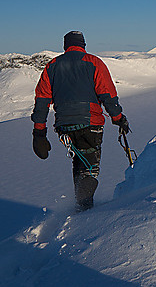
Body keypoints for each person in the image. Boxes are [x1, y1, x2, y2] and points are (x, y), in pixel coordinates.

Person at [31, 31, 130, 212]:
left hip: (64, 128)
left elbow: (42, 100)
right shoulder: (94, 63)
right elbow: (107, 95)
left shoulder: (52, 66)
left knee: (78, 163)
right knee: (89, 168)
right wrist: (118, 118)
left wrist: (39, 132)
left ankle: (80, 206)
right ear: (83, 45)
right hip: (90, 124)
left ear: (65, 46)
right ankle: (85, 213)